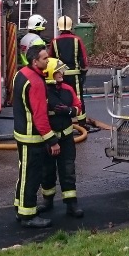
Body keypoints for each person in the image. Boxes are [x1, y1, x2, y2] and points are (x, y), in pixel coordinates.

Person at [12, 45, 59, 228]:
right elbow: (39, 115)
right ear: (35, 62)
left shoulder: (21, 74)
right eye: (45, 58)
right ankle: (28, 215)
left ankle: (21, 206)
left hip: (22, 133)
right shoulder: (36, 83)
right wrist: (52, 140)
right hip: (32, 137)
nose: (48, 61)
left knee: (24, 173)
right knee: (31, 176)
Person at [36, 58, 84, 218]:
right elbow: (40, 117)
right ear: (50, 73)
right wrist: (51, 140)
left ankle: (71, 204)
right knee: (46, 171)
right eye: (58, 71)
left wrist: (69, 111)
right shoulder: (42, 92)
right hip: (49, 140)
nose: (62, 73)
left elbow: (78, 107)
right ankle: (47, 201)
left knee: (68, 171)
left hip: (67, 139)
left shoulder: (67, 89)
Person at [49, 15, 91, 129]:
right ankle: (82, 123)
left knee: (60, 97)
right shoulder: (77, 40)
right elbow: (83, 58)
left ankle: (62, 120)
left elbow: (51, 59)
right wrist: (83, 72)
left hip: (60, 75)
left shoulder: (54, 42)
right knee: (77, 97)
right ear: (71, 26)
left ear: (59, 27)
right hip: (75, 76)